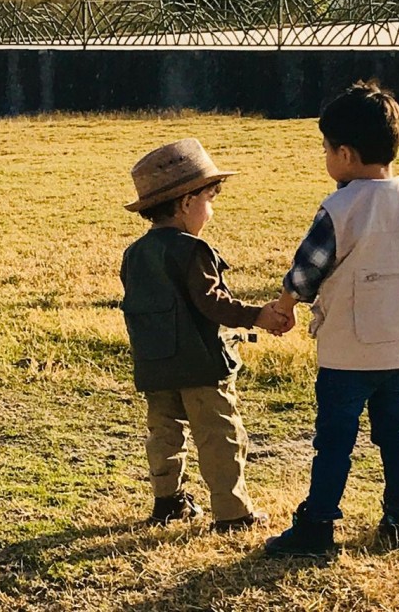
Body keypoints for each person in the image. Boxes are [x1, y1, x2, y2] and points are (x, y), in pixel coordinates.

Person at [265, 81, 399, 557]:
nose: (326, 158)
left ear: (344, 154)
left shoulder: (340, 207)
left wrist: (285, 309)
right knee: (396, 434)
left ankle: (317, 525)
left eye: (326, 149)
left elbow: (306, 270)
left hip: (348, 353)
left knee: (334, 443)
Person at [120, 137, 287, 529]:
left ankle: (168, 502)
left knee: (164, 435)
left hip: (154, 367)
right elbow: (214, 303)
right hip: (200, 366)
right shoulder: (193, 251)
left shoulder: (134, 254)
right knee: (219, 437)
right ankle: (233, 514)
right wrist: (257, 316)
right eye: (210, 199)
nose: (211, 211)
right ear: (186, 203)